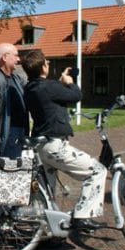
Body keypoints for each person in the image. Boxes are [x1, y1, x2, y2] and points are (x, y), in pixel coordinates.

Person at [21, 49, 107, 230]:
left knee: (48, 191)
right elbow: (76, 96)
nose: (49, 64)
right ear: (42, 67)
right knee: (97, 171)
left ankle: (46, 230)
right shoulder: (48, 86)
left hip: (41, 147)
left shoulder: (29, 88)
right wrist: (70, 83)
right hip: (55, 145)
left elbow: (51, 98)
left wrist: (60, 84)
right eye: (47, 62)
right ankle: (83, 216)